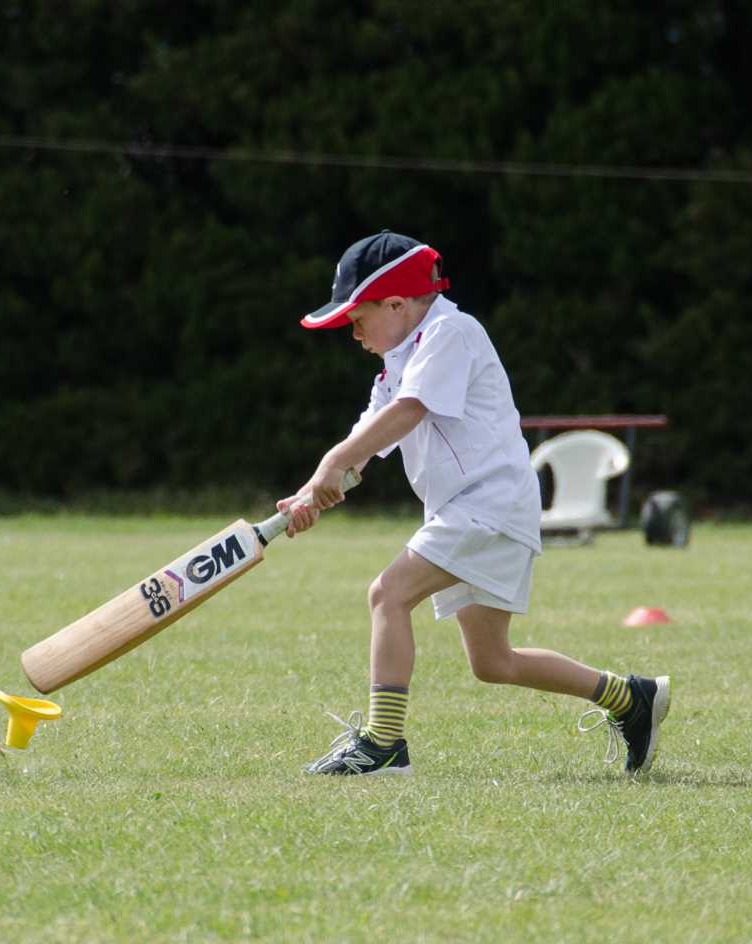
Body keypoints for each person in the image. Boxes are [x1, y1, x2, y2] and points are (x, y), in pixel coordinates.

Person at [277, 231, 671, 776]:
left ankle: (383, 744)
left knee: (387, 595)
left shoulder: (450, 333)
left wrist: (331, 462)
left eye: (357, 317)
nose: (354, 332)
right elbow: (365, 441)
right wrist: (310, 496)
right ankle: (632, 699)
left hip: (489, 505)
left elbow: (410, 411)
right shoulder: (397, 361)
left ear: (396, 304)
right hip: (472, 510)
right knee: (493, 662)